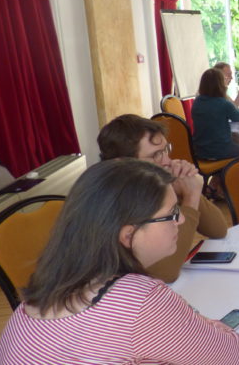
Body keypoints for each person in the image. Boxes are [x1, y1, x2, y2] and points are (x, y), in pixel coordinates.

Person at [0, 159, 239, 364]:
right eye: (172, 213)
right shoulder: (138, 300)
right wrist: (198, 322)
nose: (181, 220)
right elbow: (231, 356)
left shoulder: (45, 288)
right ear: (128, 235)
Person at [97, 114, 229, 283]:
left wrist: (188, 186)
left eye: (166, 150)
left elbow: (218, 230)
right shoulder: (116, 199)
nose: (167, 161)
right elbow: (166, 272)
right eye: (156, 155)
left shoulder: (150, 184)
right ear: (123, 162)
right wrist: (191, 197)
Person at [191, 68, 239, 160]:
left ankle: (222, 172)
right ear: (220, 84)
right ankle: (228, 172)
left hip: (200, 151)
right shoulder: (223, 103)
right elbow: (238, 117)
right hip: (220, 150)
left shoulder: (197, 102)